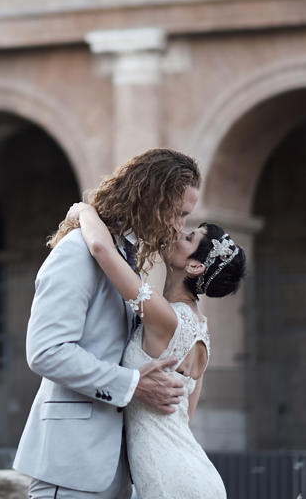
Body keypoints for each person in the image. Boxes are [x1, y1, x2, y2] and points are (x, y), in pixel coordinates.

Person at [12, 148, 200, 499]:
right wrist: (132, 384)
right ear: (151, 198)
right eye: (178, 214)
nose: (179, 227)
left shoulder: (124, 260)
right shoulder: (76, 251)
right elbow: (46, 351)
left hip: (119, 471)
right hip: (70, 465)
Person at [70, 203, 246, 499]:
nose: (178, 232)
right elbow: (183, 417)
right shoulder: (201, 329)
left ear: (195, 266)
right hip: (198, 476)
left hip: (170, 480)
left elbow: (101, 249)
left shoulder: (167, 318)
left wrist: (83, 210)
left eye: (189, 238)